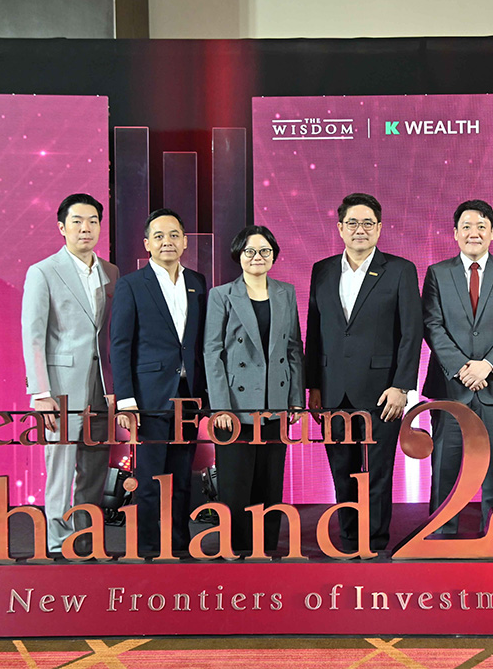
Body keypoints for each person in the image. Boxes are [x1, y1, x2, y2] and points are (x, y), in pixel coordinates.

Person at [305, 192, 421, 553]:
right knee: (342, 471)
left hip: (382, 391)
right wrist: (313, 386)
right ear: (340, 228)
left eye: (368, 223)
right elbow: (314, 331)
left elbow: (411, 332)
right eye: (352, 223)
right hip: (332, 390)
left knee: (378, 472)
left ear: (380, 228)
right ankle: (349, 539)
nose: (360, 229)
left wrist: (402, 386)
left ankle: (375, 542)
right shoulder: (322, 270)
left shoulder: (400, 270)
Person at [422, 199, 493, 549]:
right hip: (451, 388)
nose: (474, 233)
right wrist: (461, 368)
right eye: (466, 226)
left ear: (492, 233)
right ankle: (442, 535)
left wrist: (487, 365)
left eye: (481, 226)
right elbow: (432, 325)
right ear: (455, 233)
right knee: (445, 467)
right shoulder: (437, 273)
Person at [22, 193, 119, 556]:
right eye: (77, 221)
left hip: (102, 385)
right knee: (61, 467)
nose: (85, 228)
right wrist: (40, 392)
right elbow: (33, 334)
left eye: (93, 221)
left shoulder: (111, 272)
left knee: (95, 466)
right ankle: (57, 541)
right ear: (62, 227)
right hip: (60, 387)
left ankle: (86, 538)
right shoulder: (43, 271)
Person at [110, 208, 208, 556]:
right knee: (150, 478)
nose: (168, 241)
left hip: (188, 397)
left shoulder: (198, 282)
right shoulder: (131, 285)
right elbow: (120, 345)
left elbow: (200, 342)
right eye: (159, 236)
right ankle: (150, 547)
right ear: (147, 243)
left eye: (174, 235)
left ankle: (179, 545)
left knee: (182, 477)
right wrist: (126, 400)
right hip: (148, 398)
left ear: (185, 241)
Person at [204, 225, 304, 556]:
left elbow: (294, 349)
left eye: (264, 251)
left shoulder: (286, 292)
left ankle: (267, 547)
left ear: (273, 256)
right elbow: (212, 352)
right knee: (235, 484)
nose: (257, 257)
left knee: (270, 482)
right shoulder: (221, 295)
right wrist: (220, 407)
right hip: (235, 406)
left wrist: (295, 401)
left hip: (275, 402)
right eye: (250, 251)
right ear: (239, 256)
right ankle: (235, 547)